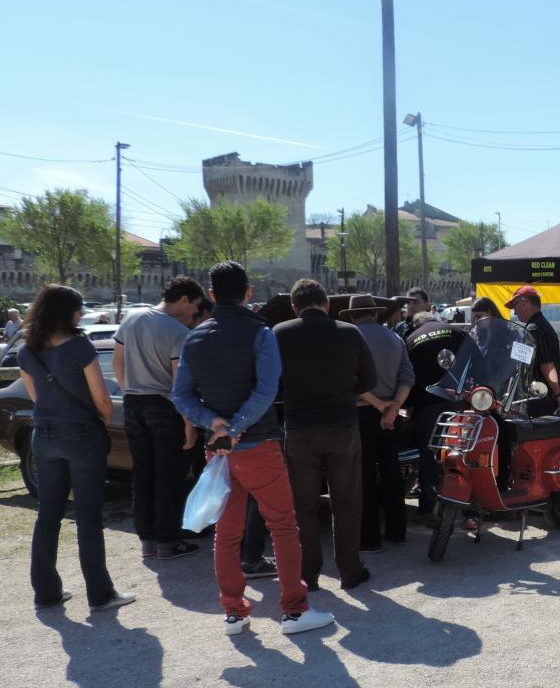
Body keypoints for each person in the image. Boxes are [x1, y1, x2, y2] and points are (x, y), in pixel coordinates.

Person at [172, 262, 332, 636]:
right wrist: (236, 427)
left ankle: (234, 612)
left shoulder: (194, 338)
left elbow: (181, 395)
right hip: (256, 444)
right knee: (283, 527)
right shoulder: (260, 333)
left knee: (226, 533)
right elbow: (266, 390)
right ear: (247, 292)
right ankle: (294, 610)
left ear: (210, 296)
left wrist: (214, 424)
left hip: (220, 451)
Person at [18, 285, 135, 613]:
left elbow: (36, 398)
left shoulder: (28, 350)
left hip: (45, 434)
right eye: (78, 308)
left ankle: (46, 592)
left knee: (48, 513)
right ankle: (100, 594)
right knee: (87, 516)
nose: (81, 314)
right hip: (82, 435)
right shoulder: (79, 347)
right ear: (66, 312)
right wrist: (103, 415)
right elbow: (101, 400)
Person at [273, 279, 377, 591]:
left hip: (300, 428)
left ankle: (308, 574)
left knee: (303, 507)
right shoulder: (349, 333)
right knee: (346, 503)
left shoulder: (278, 334)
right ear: (327, 303)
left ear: (294, 306)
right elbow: (369, 380)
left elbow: (270, 384)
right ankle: (350, 570)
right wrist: (344, 391)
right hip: (343, 426)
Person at [113, 276, 206, 561]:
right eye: (195, 307)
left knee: (143, 474)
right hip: (164, 407)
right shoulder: (179, 332)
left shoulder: (131, 318)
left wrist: (129, 390)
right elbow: (180, 385)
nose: (195, 314)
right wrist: (189, 424)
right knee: (169, 476)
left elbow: (118, 362)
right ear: (183, 300)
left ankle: (148, 540)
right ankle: (168, 540)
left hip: (132, 403)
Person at [342, 295, 415, 552]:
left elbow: (350, 380)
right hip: (391, 416)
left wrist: (379, 405)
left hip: (361, 414)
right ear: (375, 313)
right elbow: (408, 377)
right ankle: (397, 531)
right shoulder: (395, 338)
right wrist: (392, 407)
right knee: (392, 471)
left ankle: (369, 538)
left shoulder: (349, 338)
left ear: (352, 316)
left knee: (362, 476)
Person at [406, 312, 467, 523]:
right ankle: (465, 503)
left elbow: (408, 377)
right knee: (461, 453)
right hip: (458, 404)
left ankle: (428, 506)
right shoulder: (458, 331)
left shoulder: (412, 339)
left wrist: (409, 406)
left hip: (427, 407)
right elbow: (478, 362)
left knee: (429, 457)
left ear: (417, 324)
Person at [505, 286, 560, 418]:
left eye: (515, 306)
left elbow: (548, 366)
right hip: (539, 398)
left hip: (539, 401)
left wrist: (559, 397)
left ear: (524, 302)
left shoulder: (535, 329)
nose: (515, 313)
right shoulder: (538, 326)